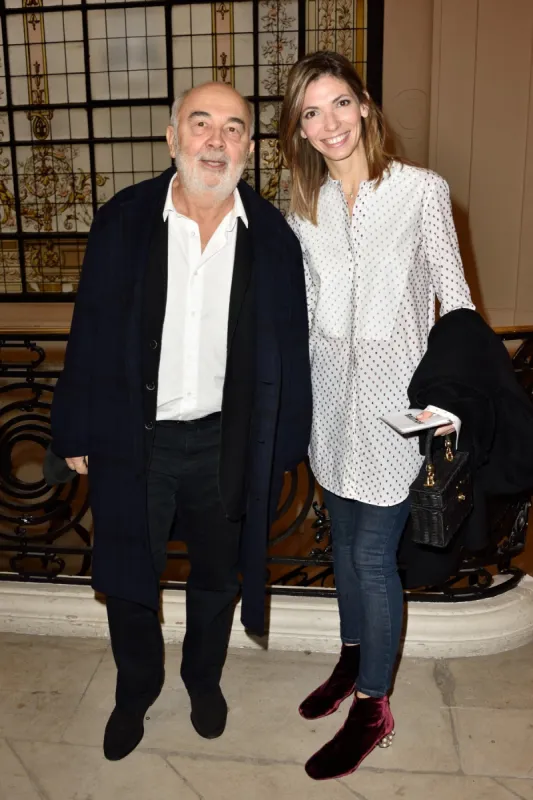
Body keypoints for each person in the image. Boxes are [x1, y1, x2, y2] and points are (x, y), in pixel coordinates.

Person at [51, 81, 311, 761]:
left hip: (224, 443)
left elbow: (292, 348)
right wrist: (74, 431)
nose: (215, 141)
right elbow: (90, 329)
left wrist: (281, 445)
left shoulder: (273, 238)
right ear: (173, 137)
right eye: (201, 124)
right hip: (134, 438)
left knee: (217, 576)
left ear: (248, 149)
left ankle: (203, 678)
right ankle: (135, 689)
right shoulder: (125, 218)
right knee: (130, 573)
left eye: (232, 128)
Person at [279, 51, 474, 781]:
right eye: (309, 113)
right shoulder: (303, 208)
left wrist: (450, 403)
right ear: (298, 129)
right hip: (331, 409)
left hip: (402, 410)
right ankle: (351, 659)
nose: (327, 124)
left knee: (370, 557)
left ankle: (373, 704)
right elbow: (299, 318)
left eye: (337, 104)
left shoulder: (421, 191)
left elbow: (454, 300)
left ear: (363, 105)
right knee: (341, 551)